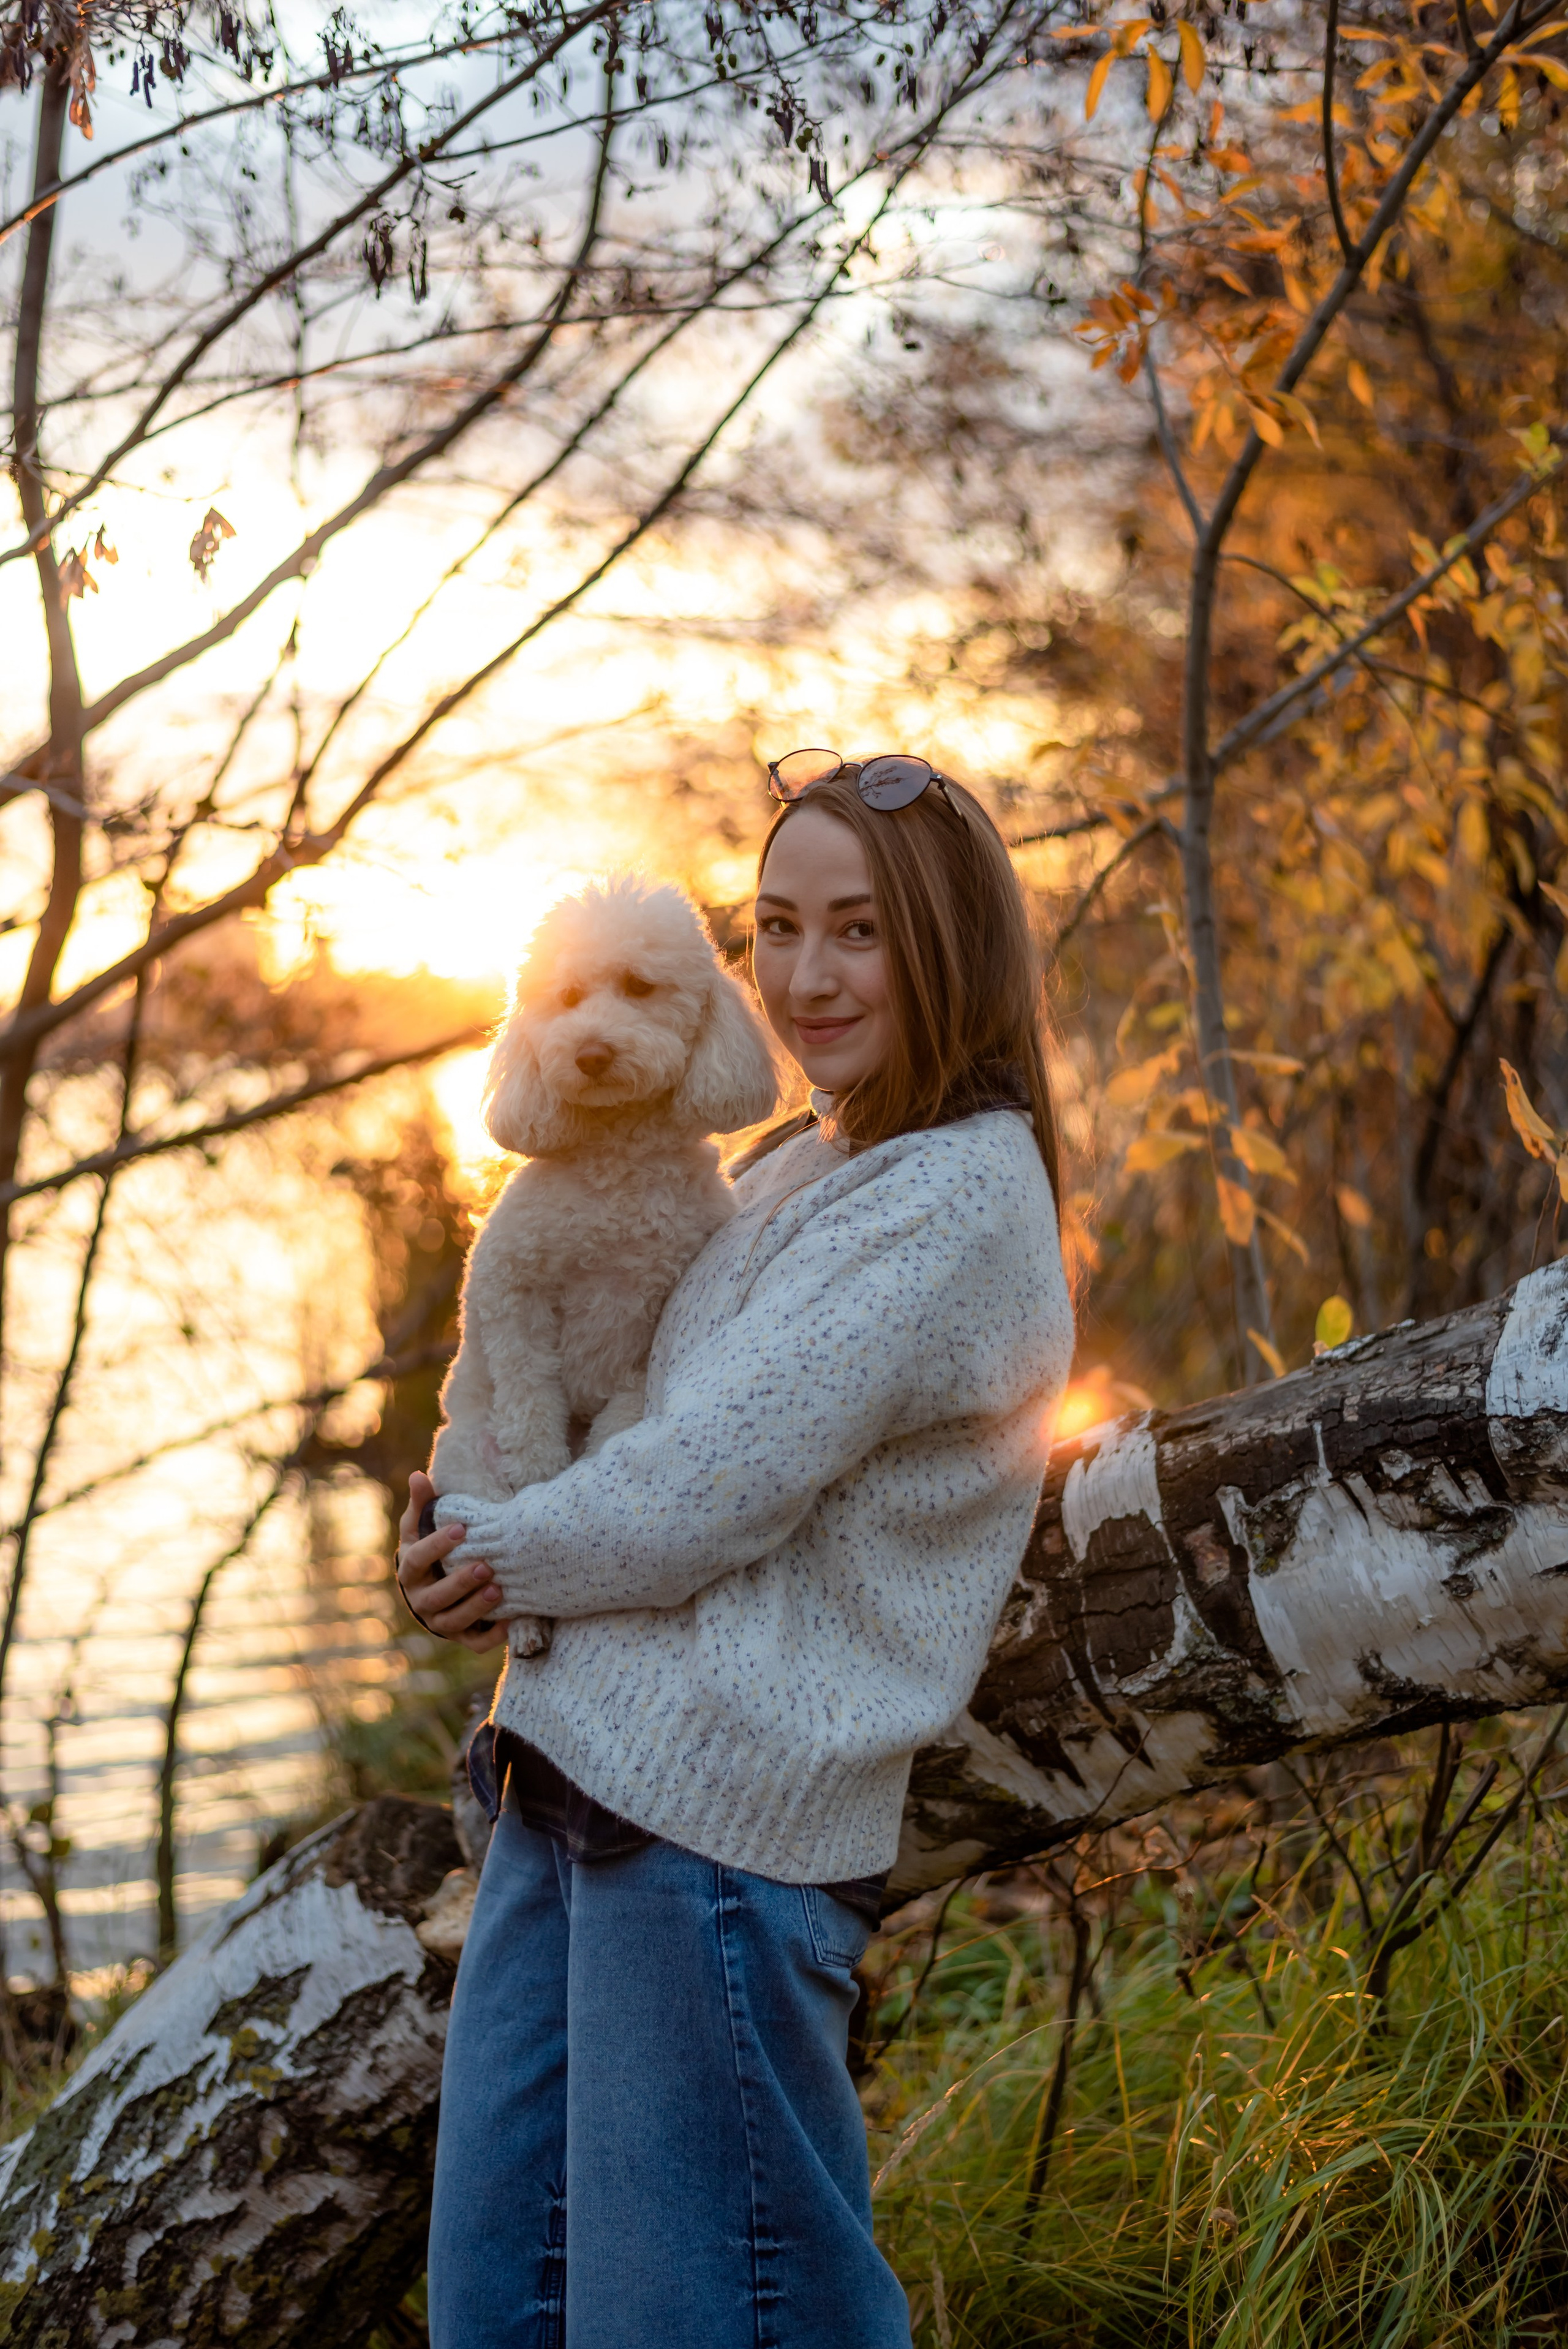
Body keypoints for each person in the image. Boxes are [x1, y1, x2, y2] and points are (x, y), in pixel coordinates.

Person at [396, 748, 1075, 2348]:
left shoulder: (957, 1198)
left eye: (860, 930)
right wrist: (450, 1527)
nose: (807, 974)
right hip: (566, 1776)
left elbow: (710, 1483)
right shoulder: (791, 1161)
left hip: (711, 1836)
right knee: (501, 2307)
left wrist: (493, 1552)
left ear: (950, 947)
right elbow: (602, 1416)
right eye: (776, 925)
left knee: (704, 2317)